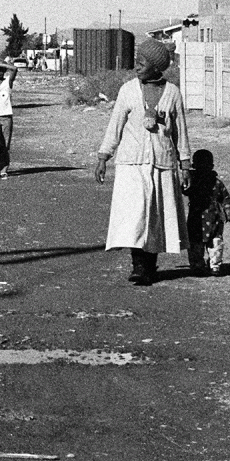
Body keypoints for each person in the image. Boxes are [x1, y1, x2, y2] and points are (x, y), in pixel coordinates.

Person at [95, 38, 192, 286]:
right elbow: (114, 125)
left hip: (161, 165)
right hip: (131, 165)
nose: (136, 67)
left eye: (142, 63)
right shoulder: (127, 90)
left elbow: (180, 131)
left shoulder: (172, 94)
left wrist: (185, 164)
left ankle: (150, 266)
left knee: (156, 217)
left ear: (157, 68)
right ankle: (138, 266)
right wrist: (104, 156)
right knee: (135, 217)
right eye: (136, 62)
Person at [186, 149, 230, 276]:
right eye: (198, 165)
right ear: (194, 166)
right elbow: (183, 189)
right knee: (195, 245)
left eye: (205, 165)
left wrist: (228, 210)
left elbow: (225, 198)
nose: (202, 169)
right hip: (196, 220)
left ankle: (215, 265)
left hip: (215, 220)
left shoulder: (217, 183)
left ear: (211, 166)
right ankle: (197, 265)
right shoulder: (192, 182)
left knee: (216, 243)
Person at [0, 60, 17, 178]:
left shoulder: (7, 82)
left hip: (6, 116)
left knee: (5, 144)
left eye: (1, 70)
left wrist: (3, 65)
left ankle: (4, 168)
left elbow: (15, 69)